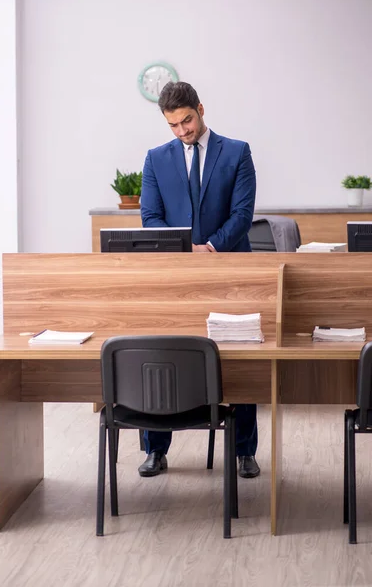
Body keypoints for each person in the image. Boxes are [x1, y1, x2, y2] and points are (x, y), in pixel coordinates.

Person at [139, 81, 259, 480]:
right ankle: (156, 449)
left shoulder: (237, 152)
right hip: (177, 275)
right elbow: (150, 218)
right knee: (159, 353)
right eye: (173, 125)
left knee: (241, 356)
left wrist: (209, 248)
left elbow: (243, 214)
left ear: (201, 109)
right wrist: (186, 252)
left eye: (186, 120)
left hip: (231, 270)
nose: (182, 131)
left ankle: (244, 450)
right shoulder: (156, 159)